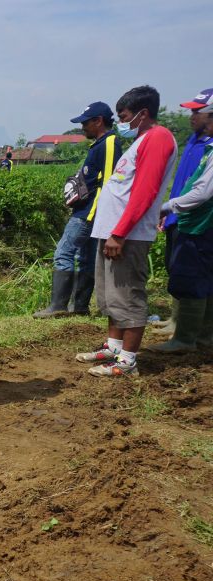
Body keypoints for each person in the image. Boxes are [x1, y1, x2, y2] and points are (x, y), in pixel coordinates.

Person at [78, 85, 178, 377]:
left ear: (143, 114)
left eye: (124, 116)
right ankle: (113, 347)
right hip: (114, 232)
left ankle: (127, 361)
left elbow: (145, 192)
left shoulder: (158, 138)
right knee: (111, 296)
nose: (120, 122)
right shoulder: (142, 139)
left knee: (128, 296)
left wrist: (120, 233)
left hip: (127, 235)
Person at [33, 101, 121, 318]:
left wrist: (98, 214)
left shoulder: (109, 143)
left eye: (85, 123)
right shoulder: (100, 144)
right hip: (90, 212)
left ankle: (58, 306)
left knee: (63, 252)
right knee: (85, 258)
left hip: (89, 213)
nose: (83, 128)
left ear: (98, 121)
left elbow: (110, 182)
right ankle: (79, 306)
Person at [148, 87, 213, 349]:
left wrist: (168, 207)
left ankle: (186, 338)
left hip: (200, 223)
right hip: (190, 218)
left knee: (193, 276)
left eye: (198, 112)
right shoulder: (196, 142)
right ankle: (202, 336)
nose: (192, 117)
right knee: (197, 275)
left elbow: (202, 191)